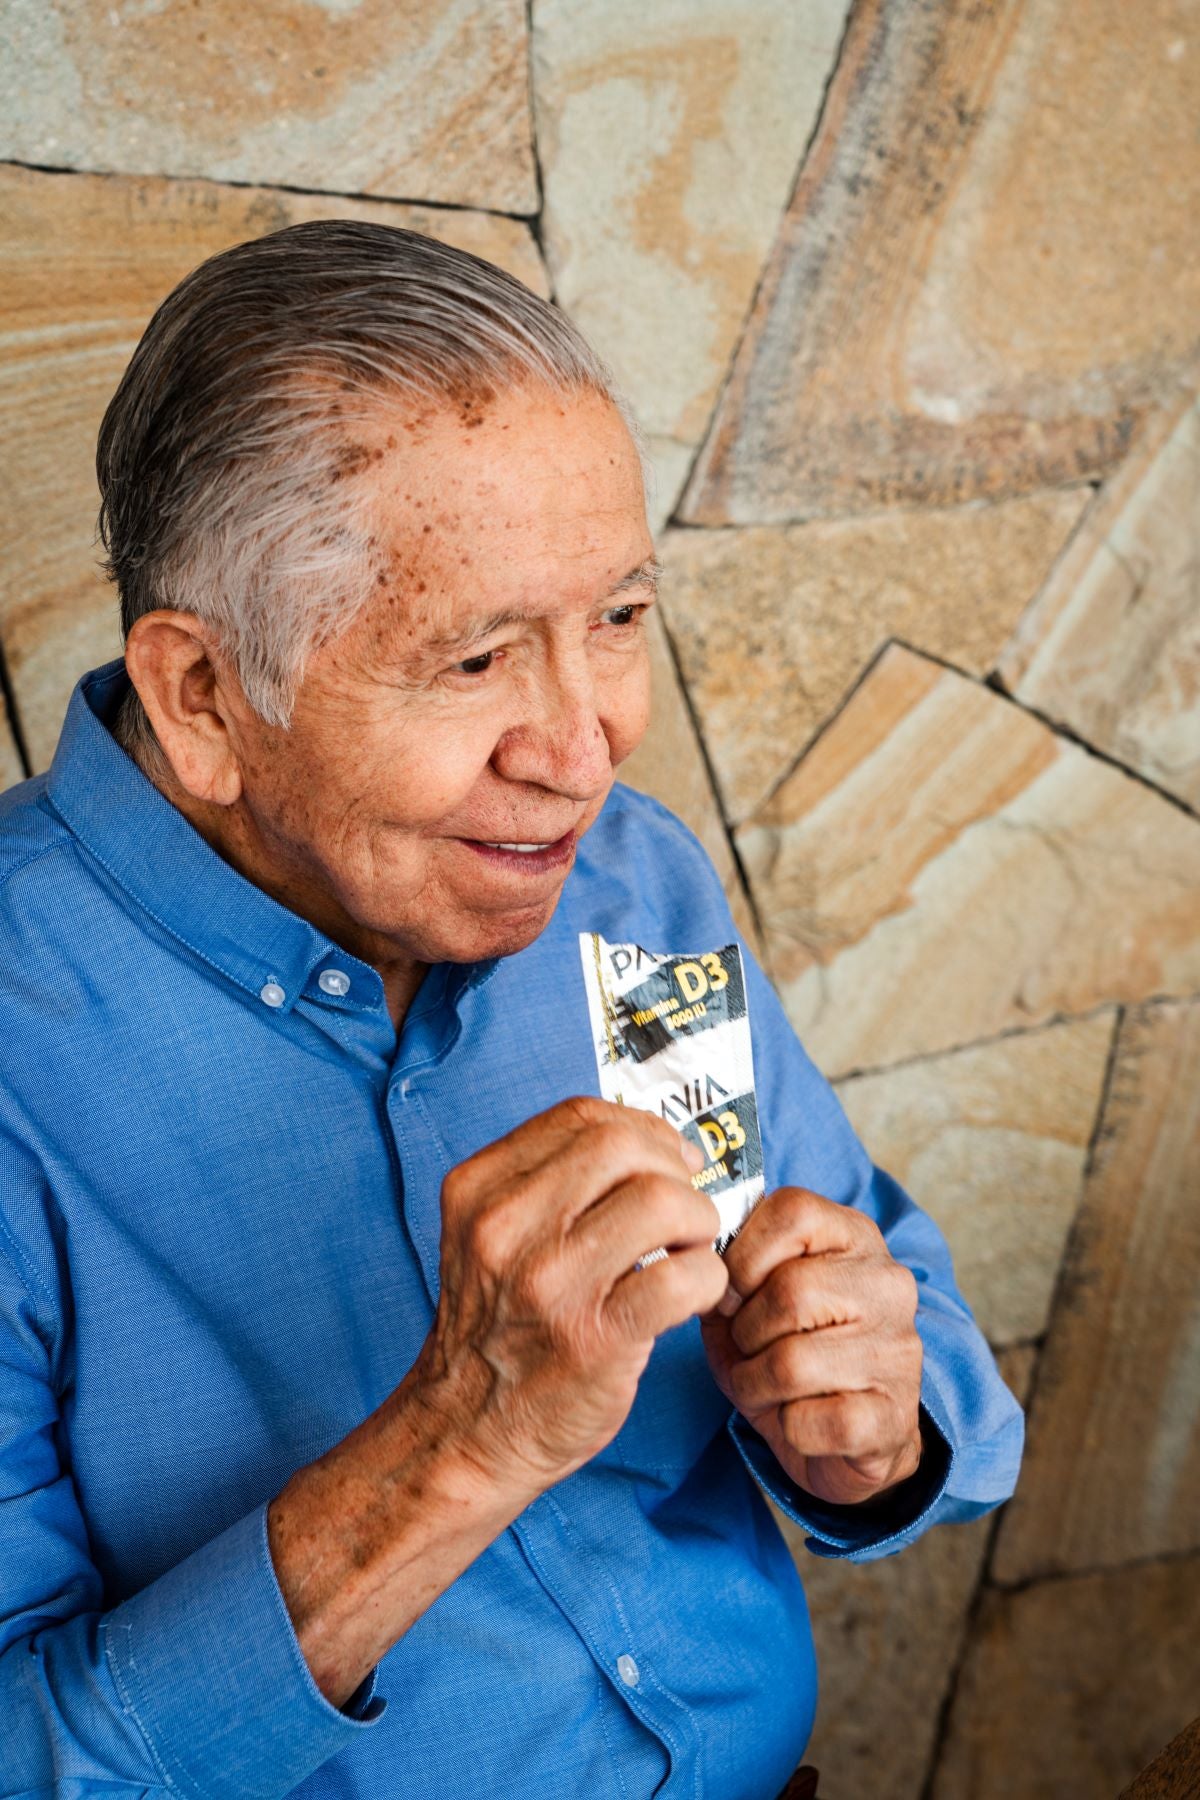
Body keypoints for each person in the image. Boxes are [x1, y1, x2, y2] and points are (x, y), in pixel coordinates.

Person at [0, 221, 1022, 1799]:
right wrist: (459, 1445)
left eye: (617, 619)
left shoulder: (625, 885)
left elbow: (908, 1311)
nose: (586, 743)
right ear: (203, 698)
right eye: (477, 656)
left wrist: (870, 1427)